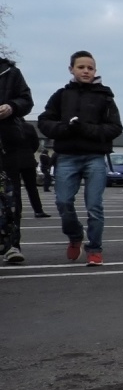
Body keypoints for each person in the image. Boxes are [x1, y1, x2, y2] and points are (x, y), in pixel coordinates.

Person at [37, 50, 123, 267]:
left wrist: (86, 129)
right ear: (71, 69)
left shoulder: (105, 97)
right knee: (63, 202)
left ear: (95, 71)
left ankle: (94, 249)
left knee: (94, 206)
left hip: (94, 157)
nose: (86, 71)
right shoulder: (61, 95)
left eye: (90, 68)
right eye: (81, 67)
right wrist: (64, 128)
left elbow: (115, 127)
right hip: (66, 157)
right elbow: (44, 121)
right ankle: (75, 235)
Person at [0, 55, 35, 263]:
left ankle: (12, 244)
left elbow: (26, 100)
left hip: (6, 143)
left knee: (10, 196)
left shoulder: (10, 72)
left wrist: (11, 107)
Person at [13, 120, 51, 219]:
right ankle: (38, 210)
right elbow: (35, 144)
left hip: (11, 160)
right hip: (28, 159)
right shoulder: (29, 127)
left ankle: (17, 211)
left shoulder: (6, 125)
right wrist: (29, 151)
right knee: (32, 188)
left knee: (15, 188)